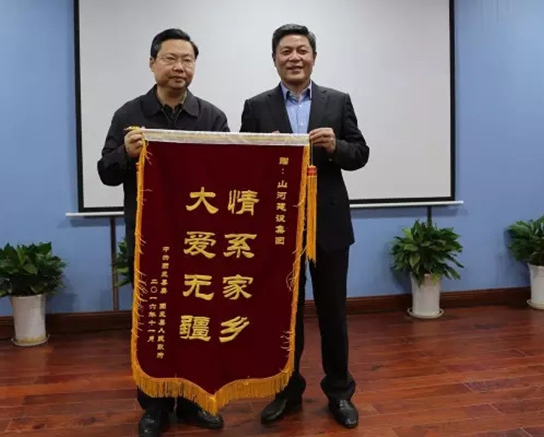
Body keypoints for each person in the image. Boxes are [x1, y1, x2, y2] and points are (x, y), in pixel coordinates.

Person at [97, 28, 228, 437]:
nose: (179, 67)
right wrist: (126, 154)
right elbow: (105, 172)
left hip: (198, 240)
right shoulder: (128, 114)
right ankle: (154, 406)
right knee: (153, 322)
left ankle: (191, 402)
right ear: (152, 63)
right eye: (170, 58)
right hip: (149, 238)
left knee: (195, 319)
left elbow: (228, 176)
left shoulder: (212, 117)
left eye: (187, 60)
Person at [240, 24, 370, 429]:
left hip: (328, 225)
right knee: (282, 316)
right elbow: (242, 165)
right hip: (279, 228)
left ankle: (339, 392)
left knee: (333, 313)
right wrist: (264, 153)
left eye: (301, 50)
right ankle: (286, 390)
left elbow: (360, 154)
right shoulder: (256, 106)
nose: (294, 57)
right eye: (286, 51)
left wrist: (336, 146)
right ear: (274, 59)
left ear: (314, 57)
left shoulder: (338, 101)